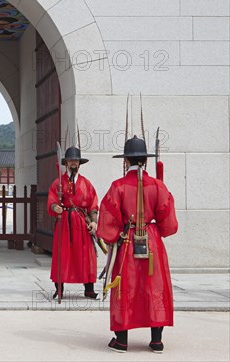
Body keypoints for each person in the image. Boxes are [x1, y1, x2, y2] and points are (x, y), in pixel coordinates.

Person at [98, 136, 178, 353]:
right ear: (146, 160)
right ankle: (156, 340)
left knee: (125, 286)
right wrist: (156, 230)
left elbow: (107, 219)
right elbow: (168, 222)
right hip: (151, 239)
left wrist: (114, 235)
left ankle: (122, 340)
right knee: (155, 286)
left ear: (126, 161)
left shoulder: (118, 186)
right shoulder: (158, 186)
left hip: (127, 240)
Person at [47, 146, 99, 300]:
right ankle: (59, 287)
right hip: (64, 222)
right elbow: (52, 199)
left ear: (79, 163)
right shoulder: (58, 182)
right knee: (62, 254)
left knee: (86, 255)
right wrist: (54, 206)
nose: (73, 163)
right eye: (71, 160)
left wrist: (94, 222)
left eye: (76, 160)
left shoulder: (86, 183)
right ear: (66, 163)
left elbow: (93, 204)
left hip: (82, 222)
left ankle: (89, 288)